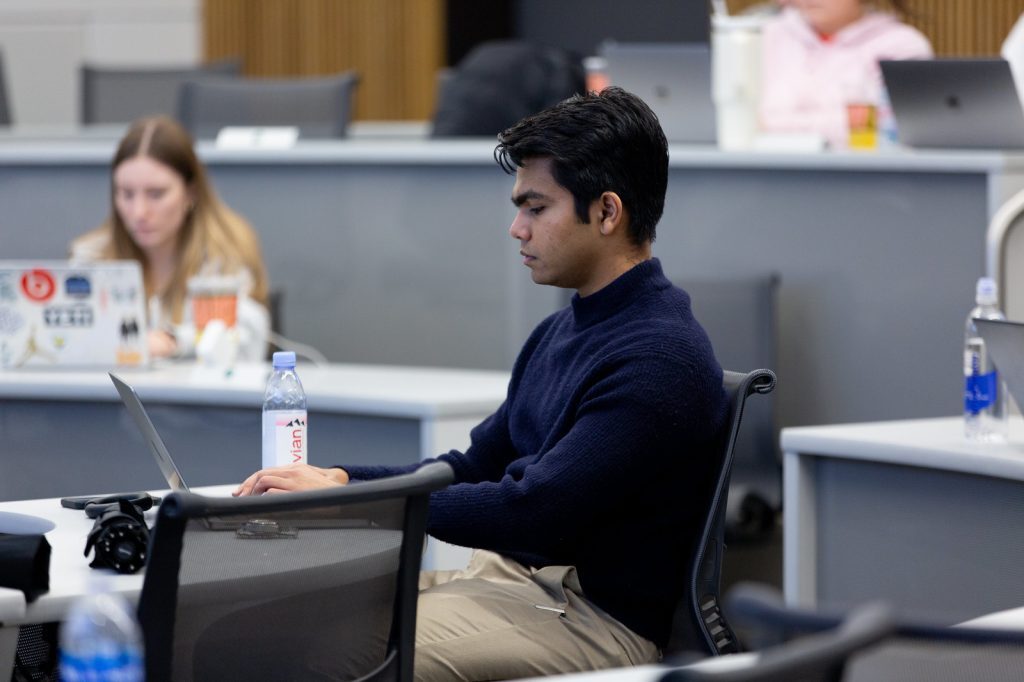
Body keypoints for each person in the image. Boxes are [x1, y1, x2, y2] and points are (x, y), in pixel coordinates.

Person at [235, 87, 728, 680]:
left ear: (606, 212)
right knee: (267, 621)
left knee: (331, 652)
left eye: (536, 207)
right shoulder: (561, 331)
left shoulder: (660, 358)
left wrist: (350, 500)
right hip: (512, 587)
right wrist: (340, 480)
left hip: (592, 622)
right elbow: (473, 468)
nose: (517, 228)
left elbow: (534, 510)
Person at [70, 115, 270, 361]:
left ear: (191, 193)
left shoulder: (226, 253)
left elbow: (245, 342)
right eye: (126, 194)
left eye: (156, 194)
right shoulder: (91, 257)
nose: (139, 212)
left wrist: (174, 342)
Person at [759, 0, 933, 147]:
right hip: (761, 174)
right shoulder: (763, 35)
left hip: (859, 177)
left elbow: (886, 128)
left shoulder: (901, 46)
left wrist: (771, 124)